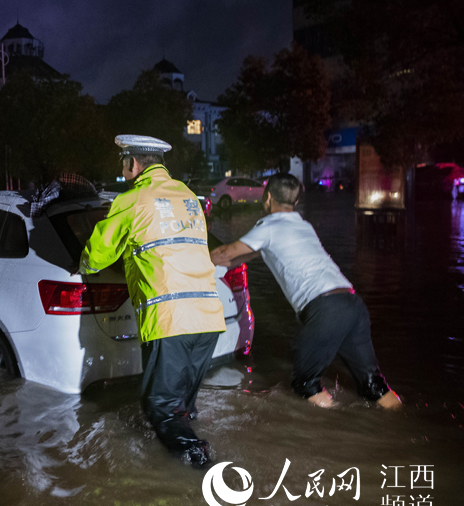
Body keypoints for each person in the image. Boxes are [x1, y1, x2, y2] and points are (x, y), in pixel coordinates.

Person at [78, 135, 226, 465]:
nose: (122, 169)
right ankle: (184, 461)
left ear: (133, 164)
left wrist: (82, 265)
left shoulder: (132, 199)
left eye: (123, 163)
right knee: (182, 405)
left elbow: (98, 253)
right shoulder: (188, 196)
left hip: (170, 320)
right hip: (208, 319)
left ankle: (203, 470)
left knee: (160, 408)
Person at [210, 173, 401, 409]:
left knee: (305, 385)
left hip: (326, 309)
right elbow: (243, 256)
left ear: (268, 197)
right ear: (296, 202)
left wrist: (194, 258)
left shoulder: (268, 225)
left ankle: (331, 437)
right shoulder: (303, 225)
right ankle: (398, 419)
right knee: (374, 385)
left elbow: (226, 253)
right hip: (352, 304)